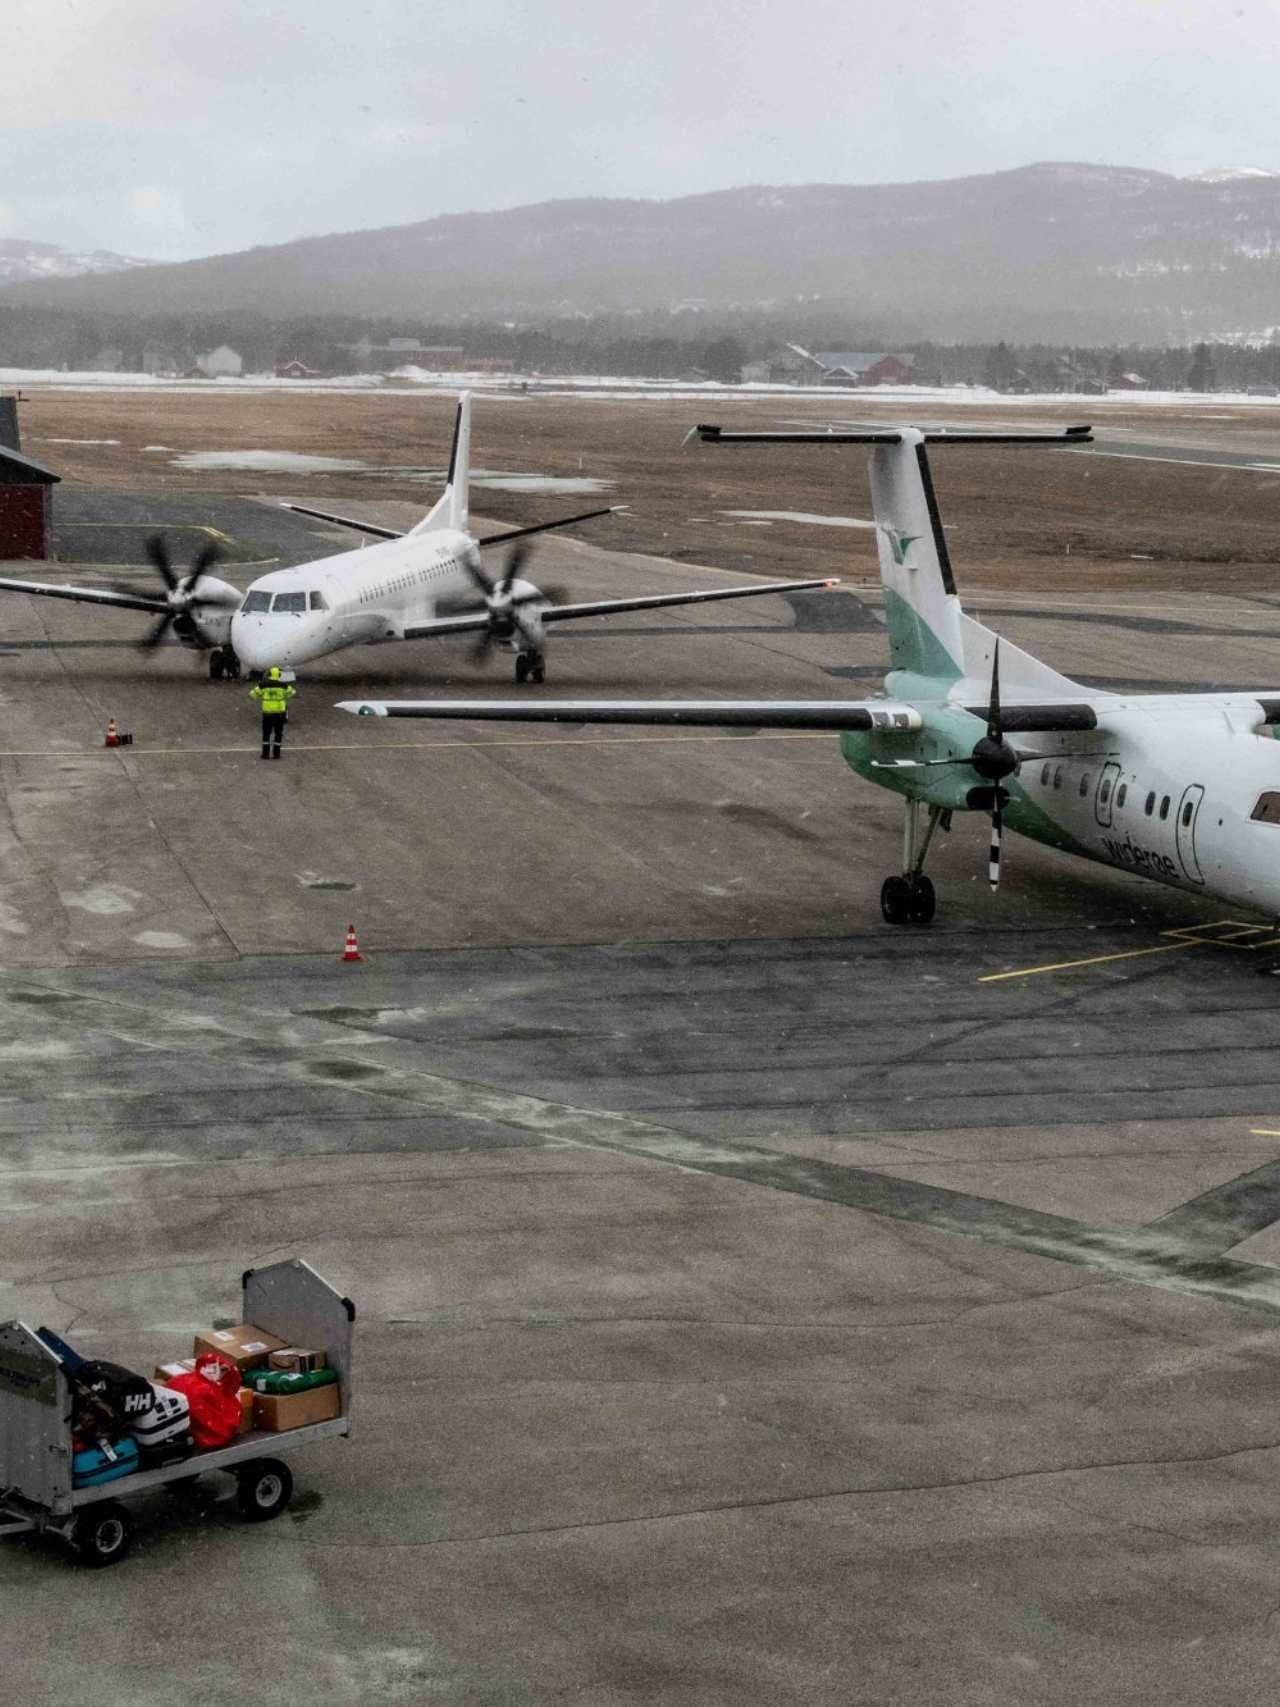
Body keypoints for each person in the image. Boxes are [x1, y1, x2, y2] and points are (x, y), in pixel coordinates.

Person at [249, 665, 296, 759]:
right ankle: (276, 754)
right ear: (279, 675)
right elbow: (292, 692)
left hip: (268, 713)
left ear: (269, 675)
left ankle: (265, 754)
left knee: (266, 733)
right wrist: (283, 697)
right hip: (280, 713)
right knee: (278, 733)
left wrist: (263, 696)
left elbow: (252, 694)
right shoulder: (283, 685)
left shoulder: (263, 685)